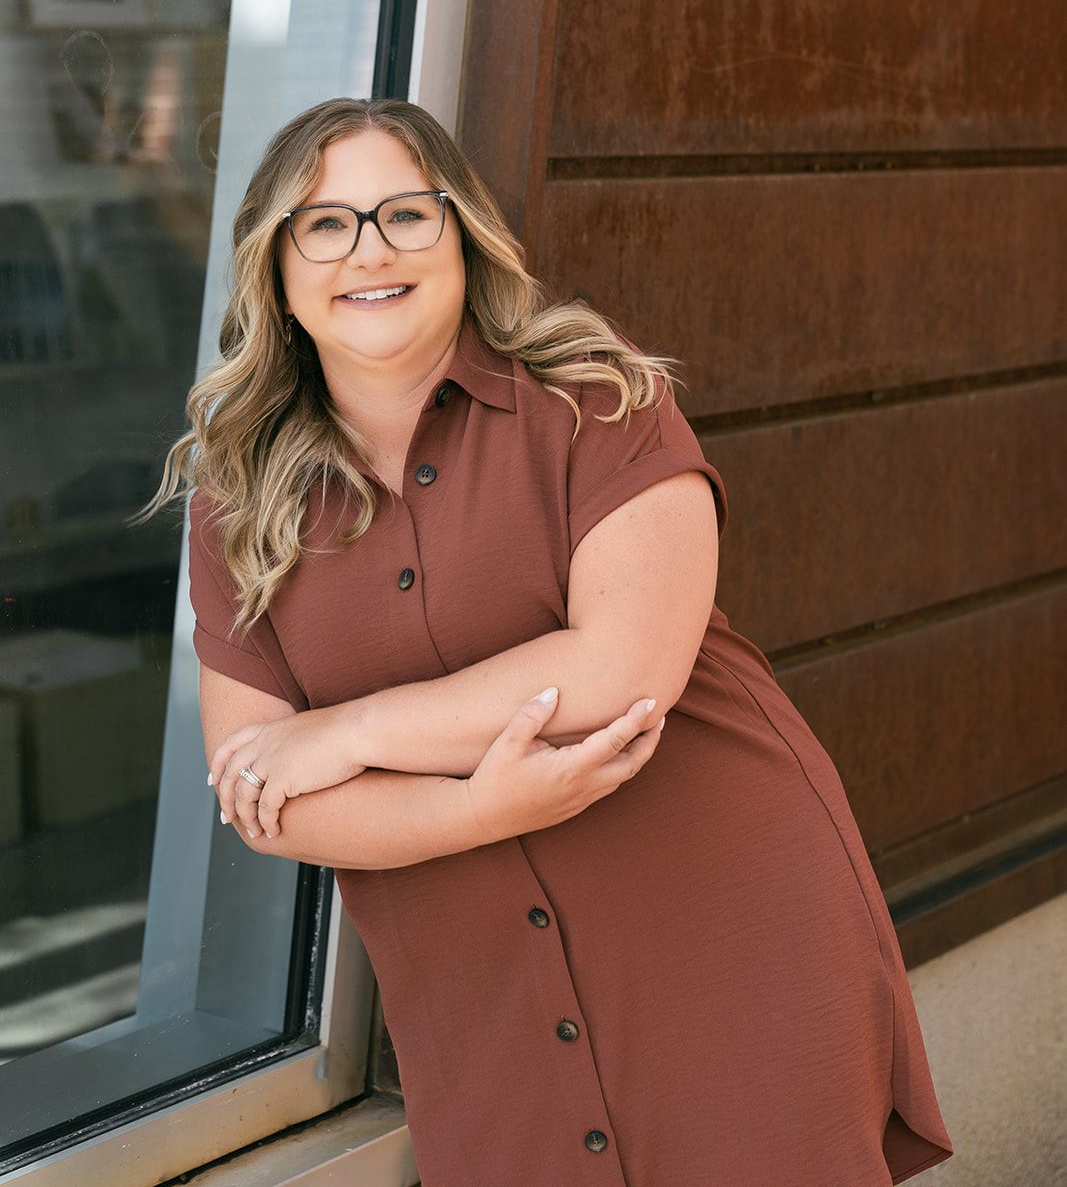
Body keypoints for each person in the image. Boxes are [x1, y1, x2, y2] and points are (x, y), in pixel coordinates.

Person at [141, 96, 954, 1186]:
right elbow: (262, 793)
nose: (370, 250)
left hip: (721, 916)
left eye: (405, 214)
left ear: (463, 238)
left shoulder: (595, 400)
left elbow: (619, 668)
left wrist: (348, 731)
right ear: (275, 270)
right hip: (478, 997)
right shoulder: (235, 503)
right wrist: (473, 810)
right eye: (324, 224)